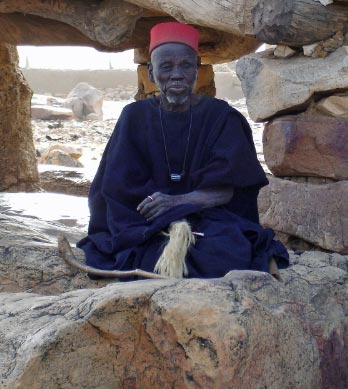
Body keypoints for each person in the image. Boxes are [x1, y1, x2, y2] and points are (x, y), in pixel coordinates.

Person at [76, 22, 289, 280]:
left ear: (196, 71)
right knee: (138, 250)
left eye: (186, 66)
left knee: (225, 251)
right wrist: (162, 213)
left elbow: (228, 189)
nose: (177, 74)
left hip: (207, 219)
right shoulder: (134, 117)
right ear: (152, 74)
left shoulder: (222, 117)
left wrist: (178, 203)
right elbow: (117, 187)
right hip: (147, 221)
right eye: (166, 67)